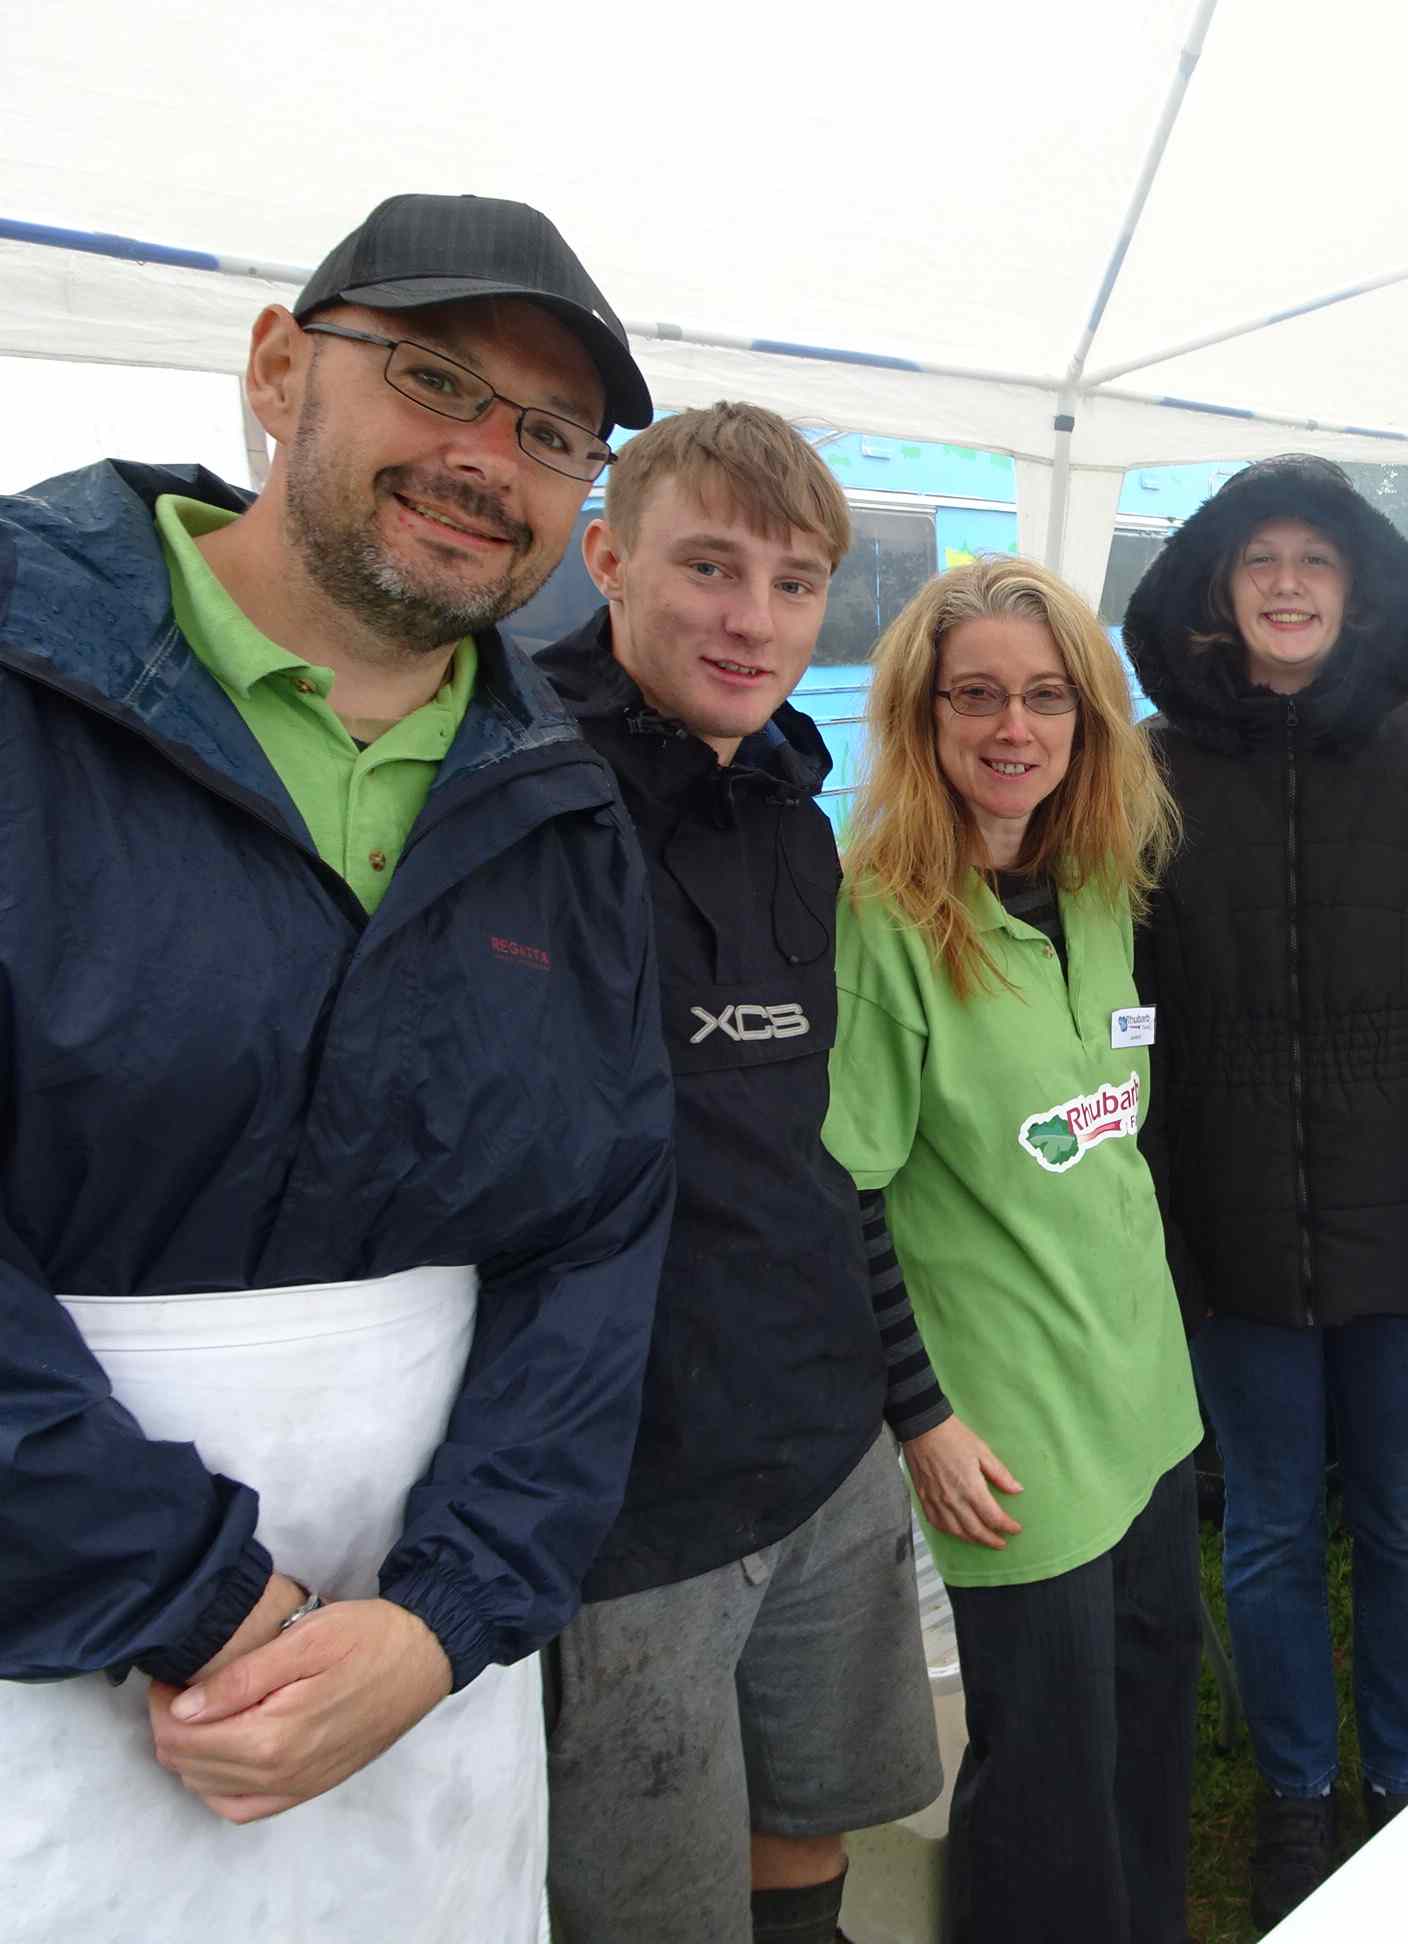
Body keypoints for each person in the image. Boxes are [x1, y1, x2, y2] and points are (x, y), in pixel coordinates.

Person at [0, 194, 670, 1939]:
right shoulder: (28, 687)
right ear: (278, 370)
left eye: (551, 433)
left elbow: (600, 1230)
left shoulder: (562, 803)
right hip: (51, 1663)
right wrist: (188, 1591)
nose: (487, 459)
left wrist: (447, 1612)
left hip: (414, 1695)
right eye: (434, 379)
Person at [1123, 456, 1408, 1927]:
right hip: (1230, 1225)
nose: (1289, 585)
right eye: (1262, 561)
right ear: (1218, 589)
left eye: (1316, 560)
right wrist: (1162, 1240)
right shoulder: (1153, 770)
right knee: (1264, 1527)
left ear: (1357, 588)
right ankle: (1298, 1794)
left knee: (1403, 1519)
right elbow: (1123, 1021)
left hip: (1406, 1225)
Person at [537, 403, 942, 1944]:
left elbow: (823, 1141)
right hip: (631, 1498)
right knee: (655, 1902)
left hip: (822, 1437)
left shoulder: (792, 809)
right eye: (709, 567)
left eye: (793, 582)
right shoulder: (524, 794)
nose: (753, 620)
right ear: (607, 559)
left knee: (809, 1822)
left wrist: (891, 1401)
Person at [823, 557, 1199, 1944]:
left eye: (1047, 697)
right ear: (920, 717)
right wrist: (920, 1416)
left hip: (1144, 1398)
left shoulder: (1096, 886)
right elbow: (847, 1192)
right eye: (974, 695)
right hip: (1010, 1426)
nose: (1013, 728)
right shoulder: (883, 921)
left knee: (1149, 1723)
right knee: (1047, 1774)